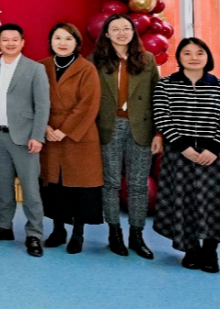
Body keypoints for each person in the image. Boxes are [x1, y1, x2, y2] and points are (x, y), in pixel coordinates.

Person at [153, 38, 220, 273]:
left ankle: (210, 251)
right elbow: (162, 118)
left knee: (215, 204)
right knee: (184, 203)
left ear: (207, 57)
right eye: (187, 53)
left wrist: (213, 149)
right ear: (179, 57)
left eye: (200, 52)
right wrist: (184, 147)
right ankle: (191, 249)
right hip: (179, 155)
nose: (194, 57)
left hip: (213, 157)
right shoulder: (165, 86)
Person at [0, 23, 50, 257]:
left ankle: (34, 233)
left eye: (14, 39)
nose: (10, 43)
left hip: (25, 137)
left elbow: (43, 105)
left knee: (30, 189)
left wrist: (37, 136)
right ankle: (4, 226)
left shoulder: (35, 69)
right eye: (5, 39)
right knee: (2, 185)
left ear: (22, 42)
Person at [92, 14, 160, 259]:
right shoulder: (95, 61)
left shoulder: (147, 59)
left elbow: (157, 98)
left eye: (126, 28)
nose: (121, 33)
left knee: (138, 184)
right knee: (110, 183)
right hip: (108, 128)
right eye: (115, 29)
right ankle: (115, 233)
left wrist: (159, 133)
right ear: (106, 34)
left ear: (133, 32)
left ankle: (137, 235)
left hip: (141, 128)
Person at [38, 23, 103, 254]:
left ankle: (78, 233)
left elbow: (88, 104)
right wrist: (44, 127)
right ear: (51, 41)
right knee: (54, 185)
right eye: (58, 38)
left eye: (68, 38)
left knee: (79, 186)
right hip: (49, 133)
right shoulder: (41, 67)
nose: (63, 43)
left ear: (77, 43)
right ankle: (58, 230)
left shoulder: (87, 68)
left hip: (78, 134)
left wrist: (64, 130)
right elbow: (32, 100)